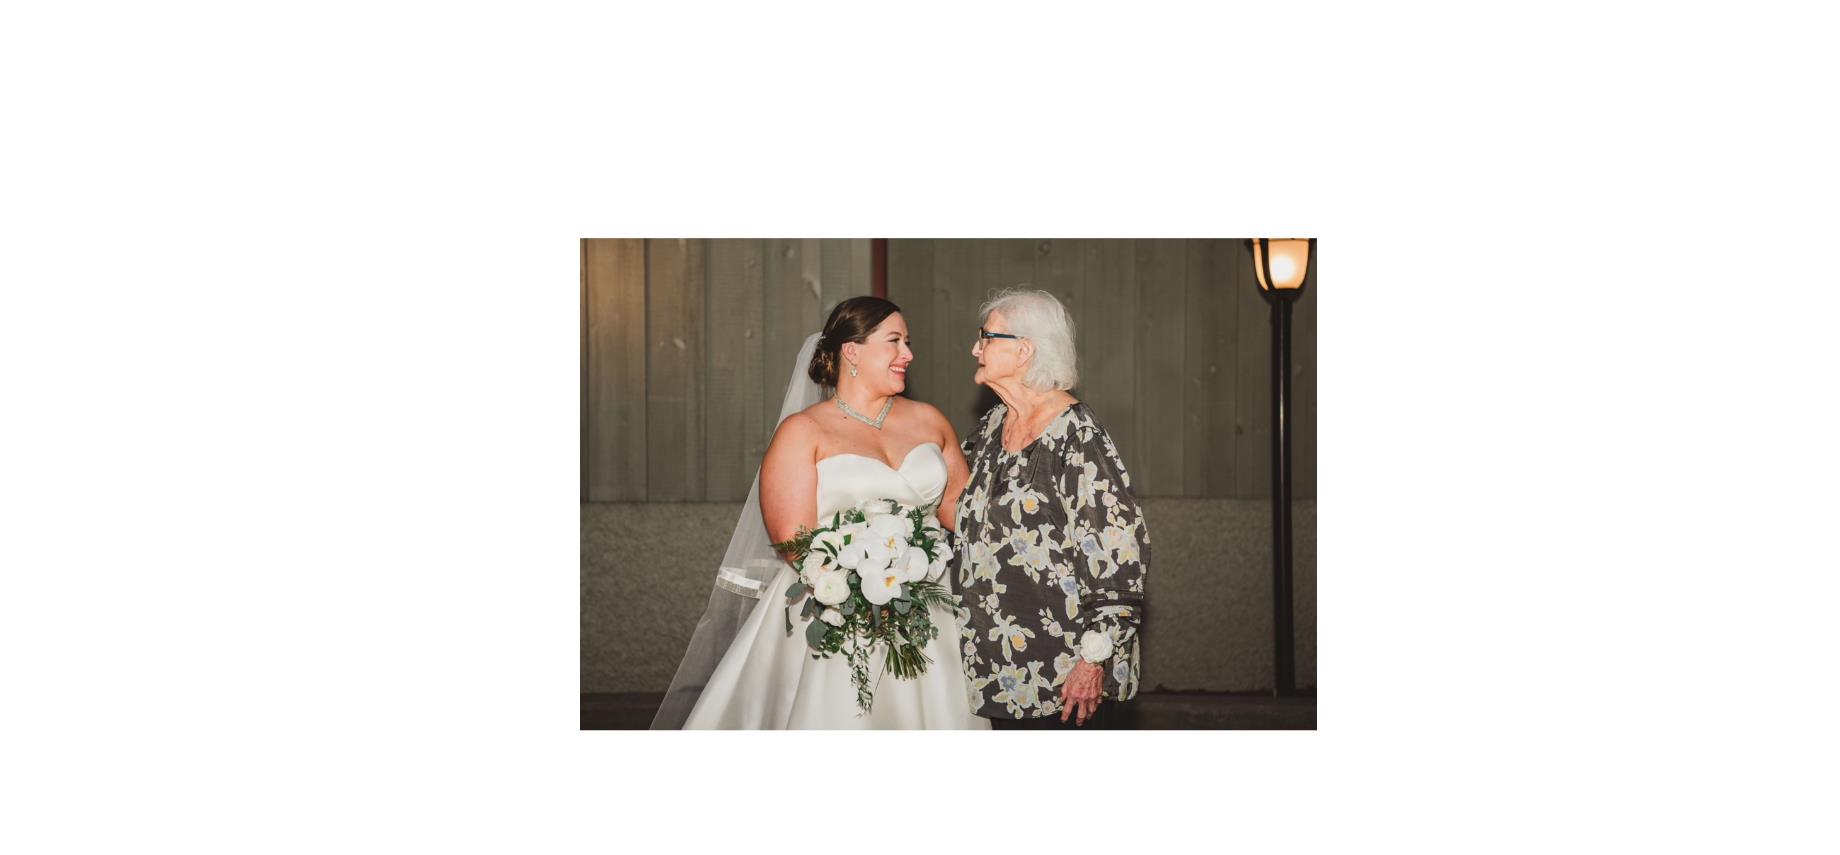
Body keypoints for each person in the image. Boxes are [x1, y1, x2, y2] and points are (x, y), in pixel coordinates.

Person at [656, 296, 989, 729]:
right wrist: (857, 586)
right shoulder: (803, 432)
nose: (908, 354)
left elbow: (961, 514)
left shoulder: (929, 421)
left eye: (907, 342)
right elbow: (793, 540)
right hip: (834, 606)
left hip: (928, 604)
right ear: (852, 351)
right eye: (894, 341)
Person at [955, 288, 1150, 729]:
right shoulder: (989, 428)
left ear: (1024, 350)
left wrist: (1092, 661)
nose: (975, 348)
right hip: (1000, 666)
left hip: (1064, 673)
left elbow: (1119, 554)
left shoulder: (1077, 434)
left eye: (985, 337)